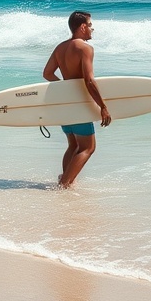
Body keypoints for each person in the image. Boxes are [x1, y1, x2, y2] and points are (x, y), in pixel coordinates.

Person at [43, 10, 111, 188]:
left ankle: (64, 180)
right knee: (88, 147)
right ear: (82, 27)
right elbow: (89, 80)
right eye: (90, 25)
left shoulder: (60, 47)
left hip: (66, 105)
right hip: (79, 105)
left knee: (73, 145)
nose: (92, 29)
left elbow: (47, 74)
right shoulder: (85, 48)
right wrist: (103, 106)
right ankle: (65, 184)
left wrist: (66, 89)